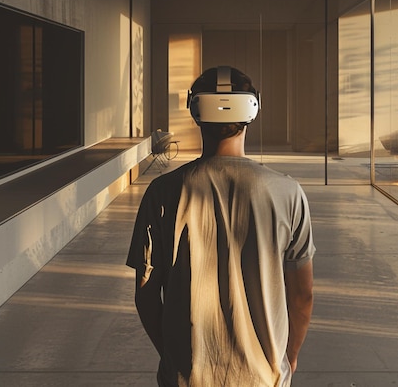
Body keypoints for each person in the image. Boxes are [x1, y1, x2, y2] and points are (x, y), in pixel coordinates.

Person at [127, 66, 315, 387]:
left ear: (195, 111)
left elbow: (146, 294)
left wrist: (173, 359)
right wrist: (290, 357)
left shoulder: (162, 193)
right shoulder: (287, 192)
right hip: (263, 378)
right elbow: (302, 295)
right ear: (254, 108)